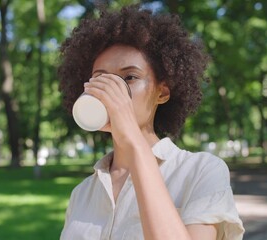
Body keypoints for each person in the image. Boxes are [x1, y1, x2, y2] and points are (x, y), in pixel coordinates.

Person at [58, 4, 244, 240]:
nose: (111, 91)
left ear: (162, 92)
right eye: (101, 79)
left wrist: (134, 142)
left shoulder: (202, 172)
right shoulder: (82, 193)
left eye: (130, 77)